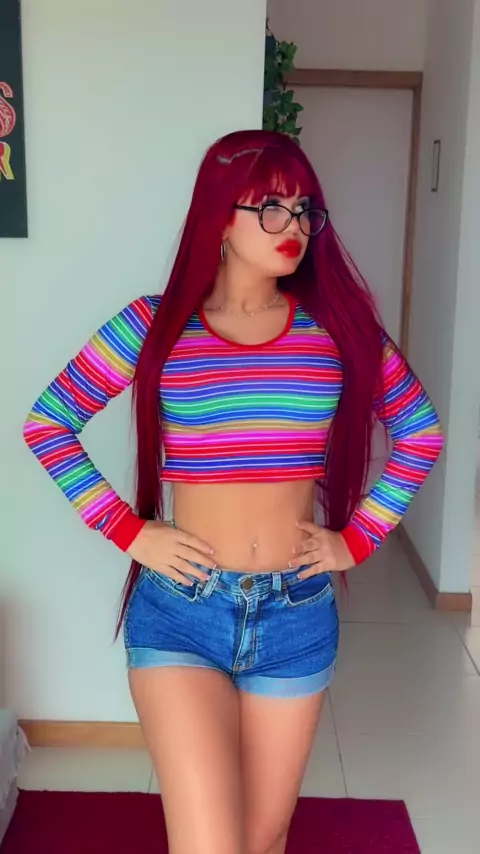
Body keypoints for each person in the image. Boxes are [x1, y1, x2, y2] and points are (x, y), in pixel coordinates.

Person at [23, 129, 444, 854]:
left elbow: (421, 433)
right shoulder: (154, 325)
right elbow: (48, 422)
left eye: (304, 209)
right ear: (220, 216)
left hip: (296, 613)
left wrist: (357, 539)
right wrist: (129, 531)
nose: (293, 225)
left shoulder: (339, 330)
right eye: (270, 207)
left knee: (262, 837)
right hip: (181, 612)